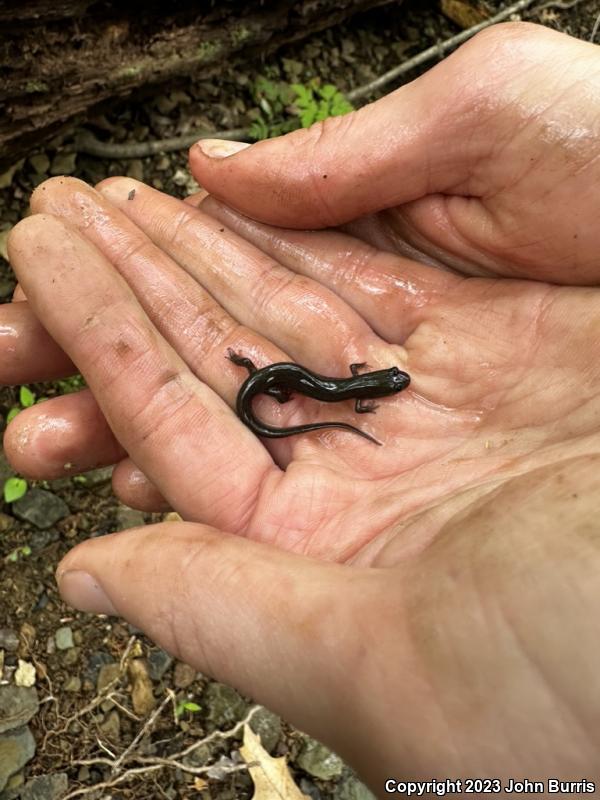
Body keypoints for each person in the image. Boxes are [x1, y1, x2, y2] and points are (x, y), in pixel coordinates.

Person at [3, 20, 600, 794]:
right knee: (285, 390)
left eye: (382, 387)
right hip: (273, 381)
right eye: (385, 386)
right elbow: (349, 389)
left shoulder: (354, 385)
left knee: (292, 390)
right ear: (376, 385)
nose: (385, 387)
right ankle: (255, 381)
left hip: (279, 380)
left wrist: (315, 387)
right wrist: (296, 386)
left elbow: (348, 386)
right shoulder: (354, 389)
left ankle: (258, 382)